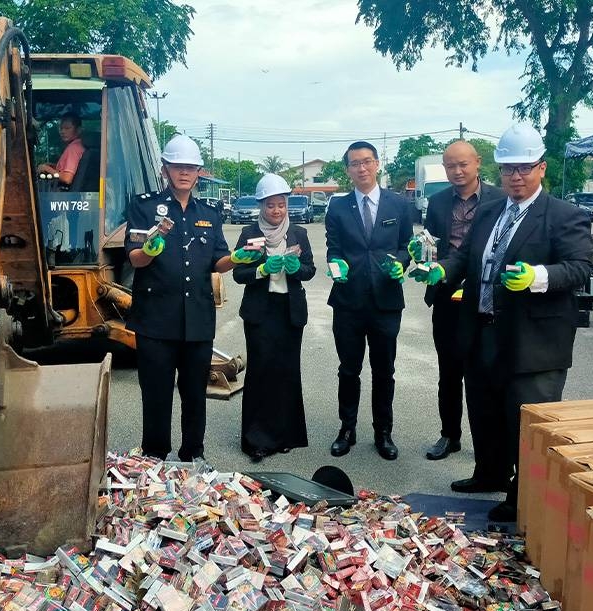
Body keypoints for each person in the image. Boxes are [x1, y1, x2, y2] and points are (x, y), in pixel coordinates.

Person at [420, 123, 592, 522]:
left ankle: (523, 495)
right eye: (508, 169)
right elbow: (466, 258)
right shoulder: (491, 210)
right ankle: (489, 473)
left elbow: (580, 268)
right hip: (483, 329)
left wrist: (538, 277)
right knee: (484, 410)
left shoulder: (565, 215)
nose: (516, 176)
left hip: (532, 339)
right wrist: (441, 271)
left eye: (524, 168)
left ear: (541, 168)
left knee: (525, 422)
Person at [125, 135, 261, 462]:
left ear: (199, 172)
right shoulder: (144, 206)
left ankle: (192, 455)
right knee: (156, 394)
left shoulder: (210, 212)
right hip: (155, 318)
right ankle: (155, 456)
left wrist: (239, 257)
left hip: (197, 319)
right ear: (165, 169)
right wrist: (149, 249)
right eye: (177, 166)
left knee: (194, 394)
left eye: (190, 167)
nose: (184, 172)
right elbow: (133, 258)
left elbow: (218, 261)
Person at [325, 141, 415, 460]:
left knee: (383, 370)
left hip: (386, 301)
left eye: (366, 162)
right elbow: (333, 249)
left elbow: (407, 245)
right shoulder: (337, 206)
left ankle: (383, 432)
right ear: (348, 170)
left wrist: (401, 263)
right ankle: (346, 429)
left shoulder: (399, 204)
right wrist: (335, 265)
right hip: (348, 301)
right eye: (354, 164)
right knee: (348, 369)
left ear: (377, 164)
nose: (361, 168)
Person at [417, 140, 504, 461]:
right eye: (450, 165)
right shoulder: (438, 202)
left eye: (463, 164)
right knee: (449, 371)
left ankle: (490, 443)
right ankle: (449, 435)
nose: (457, 171)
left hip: (485, 296)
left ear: (478, 163)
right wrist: (423, 257)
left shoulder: (500, 198)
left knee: (485, 372)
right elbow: (431, 245)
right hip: (447, 296)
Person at [233, 174, 316, 462]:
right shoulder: (248, 234)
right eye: (270, 205)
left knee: (287, 371)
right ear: (261, 206)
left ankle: (285, 435)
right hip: (261, 310)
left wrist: (295, 269)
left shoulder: (299, 234)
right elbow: (238, 273)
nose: (277, 211)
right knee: (260, 371)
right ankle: (256, 439)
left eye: (281, 205)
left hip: (289, 310)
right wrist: (261, 270)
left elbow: (309, 270)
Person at [37, 113, 85, 188]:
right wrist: (54, 166)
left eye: (67, 128)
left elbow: (67, 178)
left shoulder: (73, 148)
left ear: (78, 130)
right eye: (61, 128)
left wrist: (46, 168)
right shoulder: (79, 145)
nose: (62, 131)